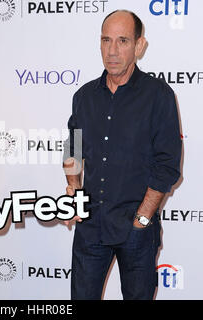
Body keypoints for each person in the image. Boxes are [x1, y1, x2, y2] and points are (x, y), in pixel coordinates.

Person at [63, 10, 182, 300]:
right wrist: (75, 189)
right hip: (90, 226)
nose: (112, 51)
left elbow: (167, 164)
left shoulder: (158, 95)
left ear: (139, 46)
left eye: (123, 41)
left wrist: (142, 219)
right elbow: (73, 149)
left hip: (137, 230)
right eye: (106, 40)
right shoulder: (84, 96)